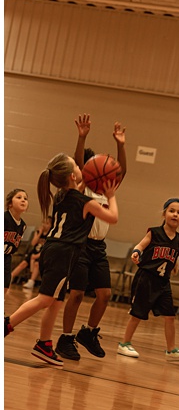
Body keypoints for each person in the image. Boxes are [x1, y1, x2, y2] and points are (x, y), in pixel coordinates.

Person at [3, 153, 119, 367]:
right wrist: (111, 195)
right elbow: (113, 217)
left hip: (55, 249)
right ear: (73, 176)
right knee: (45, 300)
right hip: (63, 253)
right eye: (77, 165)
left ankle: (44, 345)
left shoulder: (61, 196)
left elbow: (80, 182)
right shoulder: (86, 202)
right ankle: (7, 325)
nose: (80, 167)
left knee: (56, 302)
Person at [56, 114, 128, 361]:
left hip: (99, 248)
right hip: (81, 246)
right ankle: (65, 338)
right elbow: (79, 161)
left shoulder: (107, 187)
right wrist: (81, 137)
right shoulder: (83, 187)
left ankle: (88, 333)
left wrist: (121, 144)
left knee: (105, 294)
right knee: (76, 294)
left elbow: (122, 171)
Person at [117, 198, 179, 361]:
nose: (175, 214)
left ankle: (171, 350)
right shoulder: (154, 232)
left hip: (163, 282)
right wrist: (136, 253)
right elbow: (140, 246)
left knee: (170, 316)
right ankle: (124, 344)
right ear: (164, 214)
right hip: (146, 278)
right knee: (137, 314)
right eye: (172, 211)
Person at [4, 189, 28, 299]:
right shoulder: (4, 218)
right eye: (19, 197)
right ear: (10, 204)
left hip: (7, 257)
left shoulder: (23, 225)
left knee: (5, 284)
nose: (23, 200)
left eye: (25, 198)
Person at [16, 218, 50, 291]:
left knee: (37, 264)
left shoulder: (50, 235)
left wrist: (37, 256)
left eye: (47, 223)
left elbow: (47, 249)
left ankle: (31, 281)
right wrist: (39, 234)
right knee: (23, 263)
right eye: (43, 222)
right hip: (34, 252)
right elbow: (33, 243)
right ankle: (10, 277)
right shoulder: (38, 232)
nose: (44, 225)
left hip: (42, 254)